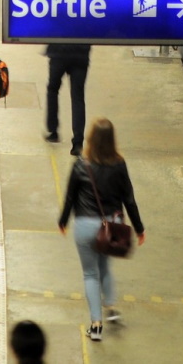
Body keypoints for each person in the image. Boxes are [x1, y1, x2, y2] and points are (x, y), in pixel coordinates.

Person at [58, 118, 145, 342]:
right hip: (109, 227)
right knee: (105, 265)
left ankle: (96, 325)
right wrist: (139, 228)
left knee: (90, 274)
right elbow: (129, 199)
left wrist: (63, 221)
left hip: (85, 226)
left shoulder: (81, 164)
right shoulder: (119, 163)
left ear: (91, 138)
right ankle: (111, 306)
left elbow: (69, 196)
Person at [44, 42, 92, 156]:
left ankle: (53, 131)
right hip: (80, 55)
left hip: (59, 53)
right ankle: (78, 142)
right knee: (78, 97)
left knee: (53, 90)